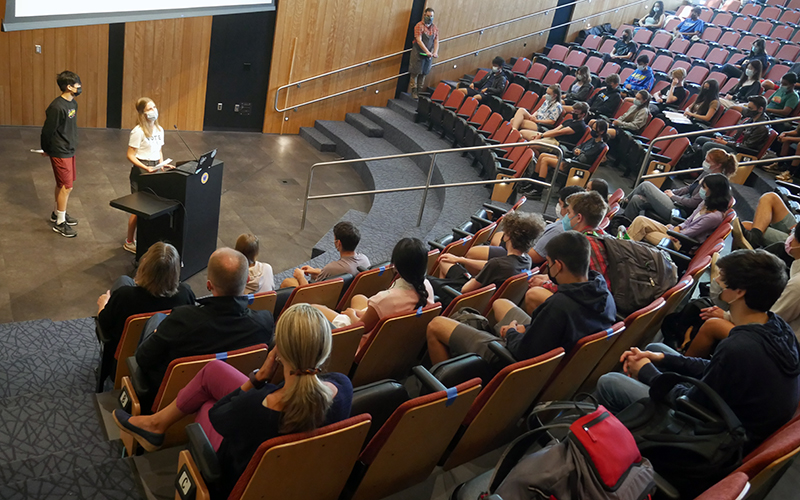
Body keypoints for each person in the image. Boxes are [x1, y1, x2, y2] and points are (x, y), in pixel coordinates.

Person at [113, 303, 353, 500]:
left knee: (205, 405)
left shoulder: (259, 406)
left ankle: (156, 428)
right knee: (214, 371)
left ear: (279, 351)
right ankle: (155, 423)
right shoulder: (343, 387)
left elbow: (218, 413)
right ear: (325, 350)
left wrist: (258, 379)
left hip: (239, 483)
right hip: (298, 478)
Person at [595, 249, 800, 456]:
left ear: (740, 292)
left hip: (712, 435)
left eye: (723, 277)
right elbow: (716, 368)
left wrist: (647, 372)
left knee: (610, 382)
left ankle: (614, 454)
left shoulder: (740, 348)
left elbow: (688, 402)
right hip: (731, 414)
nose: (718, 280)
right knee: (655, 349)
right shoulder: (777, 327)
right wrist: (662, 359)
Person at [425, 230, 616, 365]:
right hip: (553, 348)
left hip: (516, 360)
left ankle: (448, 386)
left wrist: (511, 333)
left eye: (548, 263)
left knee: (436, 325)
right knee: (501, 304)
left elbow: (524, 352)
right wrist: (525, 329)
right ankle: (475, 345)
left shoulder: (560, 306)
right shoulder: (604, 293)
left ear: (558, 266)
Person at [134, 248, 275, 411]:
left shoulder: (182, 319)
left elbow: (143, 358)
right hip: (230, 401)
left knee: (157, 319)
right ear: (247, 279)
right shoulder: (265, 322)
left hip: (171, 402)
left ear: (209, 285)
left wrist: (159, 333)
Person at [688, 226, 800, 358]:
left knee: (712, 324)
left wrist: (726, 316)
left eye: (793, 232)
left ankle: (682, 362)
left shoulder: (797, 284)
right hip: (782, 342)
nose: (790, 236)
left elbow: (772, 318)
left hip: (785, 349)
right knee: (701, 309)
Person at [312, 237, 434, 335]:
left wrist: (351, 314)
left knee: (312, 308)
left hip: (359, 340)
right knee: (358, 298)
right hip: (393, 340)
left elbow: (360, 328)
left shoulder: (386, 299)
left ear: (396, 266)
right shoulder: (426, 286)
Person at [96, 242, 196, 356]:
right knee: (124, 280)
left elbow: (104, 325)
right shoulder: (185, 293)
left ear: (144, 264)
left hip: (125, 356)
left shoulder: (124, 296)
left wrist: (103, 304)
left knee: (123, 280)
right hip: (165, 353)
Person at [523, 191, 610, 313]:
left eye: (569, 213)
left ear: (579, 218)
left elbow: (582, 289)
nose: (566, 217)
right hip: (603, 303)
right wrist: (547, 278)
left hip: (592, 308)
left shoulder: (580, 245)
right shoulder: (603, 236)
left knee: (534, 293)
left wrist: (545, 284)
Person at [464, 186, 585, 265]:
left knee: (473, 252)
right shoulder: (564, 222)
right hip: (524, 247)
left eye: (560, 204)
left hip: (520, 255)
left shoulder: (559, 230)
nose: (558, 207)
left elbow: (533, 257)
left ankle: (494, 266)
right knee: (499, 236)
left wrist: (513, 242)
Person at [433, 211, 543, 295]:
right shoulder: (526, 260)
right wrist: (460, 260)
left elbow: (465, 289)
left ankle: (444, 295)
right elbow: (489, 266)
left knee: (430, 280)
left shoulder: (497, 264)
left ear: (508, 236)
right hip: (484, 293)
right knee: (445, 261)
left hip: (467, 294)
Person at [622, 148, 737, 221]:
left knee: (646, 185)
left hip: (680, 212)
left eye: (708, 161)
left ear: (718, 165)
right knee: (637, 199)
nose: (705, 163)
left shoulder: (717, 182)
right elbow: (689, 188)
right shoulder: (707, 172)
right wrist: (669, 194)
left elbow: (692, 203)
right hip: (678, 202)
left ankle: (623, 202)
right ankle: (622, 225)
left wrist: (672, 196)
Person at [624, 173, 731, 249]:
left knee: (643, 231)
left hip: (682, 242)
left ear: (713, 191)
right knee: (640, 220)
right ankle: (621, 246)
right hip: (677, 233)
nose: (701, 190)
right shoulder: (705, 203)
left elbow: (691, 233)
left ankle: (621, 248)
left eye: (704, 187)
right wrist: (678, 227)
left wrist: (676, 232)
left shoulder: (714, 217)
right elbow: (689, 221)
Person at [124, 97, 171, 254]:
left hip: (155, 168)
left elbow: (159, 150)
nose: (154, 111)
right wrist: (145, 167)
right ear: (142, 113)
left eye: (154, 107)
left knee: (153, 205)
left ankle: (149, 237)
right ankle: (129, 241)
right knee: (139, 209)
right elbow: (130, 154)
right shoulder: (137, 132)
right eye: (150, 109)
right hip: (141, 171)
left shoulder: (159, 130)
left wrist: (162, 164)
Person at [41, 70, 82, 238]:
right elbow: (47, 130)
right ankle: (59, 223)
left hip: (69, 149)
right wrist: (46, 148)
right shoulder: (57, 107)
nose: (79, 87)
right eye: (77, 84)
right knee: (67, 186)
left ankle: (58, 213)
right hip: (60, 150)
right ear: (69, 87)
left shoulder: (73, 104)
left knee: (62, 184)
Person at [282, 221, 370, 288]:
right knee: (315, 273)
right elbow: (339, 273)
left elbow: (310, 292)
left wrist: (300, 276)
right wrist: (316, 271)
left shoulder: (333, 267)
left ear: (338, 243)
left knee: (288, 282)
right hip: (345, 294)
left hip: (325, 300)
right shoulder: (364, 259)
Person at [533, 119, 608, 180]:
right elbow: (577, 147)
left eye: (595, 129)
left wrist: (580, 152)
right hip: (571, 159)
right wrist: (576, 151)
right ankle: (533, 179)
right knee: (543, 155)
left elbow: (585, 159)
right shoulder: (592, 140)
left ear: (601, 132)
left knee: (545, 160)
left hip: (575, 165)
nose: (592, 130)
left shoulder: (600, 146)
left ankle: (538, 188)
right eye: (593, 128)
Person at [695, 96, 768, 157]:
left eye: (751, 108)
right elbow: (735, 138)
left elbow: (746, 147)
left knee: (708, 145)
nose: (747, 110)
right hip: (734, 145)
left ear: (760, 109)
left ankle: (704, 169)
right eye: (748, 107)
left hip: (740, 152)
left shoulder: (761, 127)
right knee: (700, 139)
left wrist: (726, 143)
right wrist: (724, 139)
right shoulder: (749, 120)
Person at [409, 8, 439, 99]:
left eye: (431, 16)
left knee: (424, 73)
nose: (429, 18)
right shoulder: (419, 26)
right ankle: (414, 91)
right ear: (424, 15)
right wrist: (426, 51)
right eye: (428, 16)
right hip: (418, 53)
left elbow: (436, 41)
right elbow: (419, 40)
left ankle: (419, 91)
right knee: (415, 72)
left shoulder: (434, 28)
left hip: (428, 55)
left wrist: (435, 52)